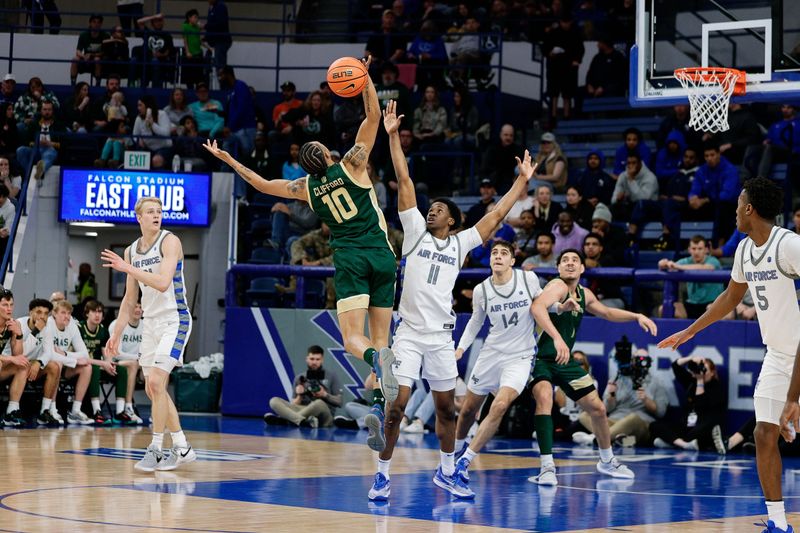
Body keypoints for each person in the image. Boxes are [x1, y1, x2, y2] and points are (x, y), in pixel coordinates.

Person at [203, 57, 400, 451]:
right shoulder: (353, 165)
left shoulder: (304, 189)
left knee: (353, 340)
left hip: (349, 259)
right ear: (328, 154)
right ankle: (380, 409)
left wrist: (227, 159)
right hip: (382, 254)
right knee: (382, 339)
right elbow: (374, 115)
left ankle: (379, 365)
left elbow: (259, 182)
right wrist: (365, 78)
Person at [368, 99, 538, 501]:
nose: (431, 211)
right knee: (397, 407)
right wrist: (392, 137)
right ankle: (381, 477)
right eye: (431, 208)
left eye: (439, 209)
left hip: (442, 337)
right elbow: (405, 181)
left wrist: (522, 182)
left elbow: (496, 215)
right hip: (408, 333)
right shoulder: (414, 232)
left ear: (453, 220)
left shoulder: (461, 243)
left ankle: (447, 473)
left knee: (447, 411)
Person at [659, 177, 797, 533]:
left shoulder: (788, 244)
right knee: (765, 434)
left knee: (780, 420)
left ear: (749, 208)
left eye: (738, 202)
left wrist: (793, 398)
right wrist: (691, 330)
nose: (734, 209)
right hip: (779, 355)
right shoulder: (744, 250)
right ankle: (778, 524)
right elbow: (730, 299)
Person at [529, 248, 657, 486]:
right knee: (545, 398)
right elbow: (536, 308)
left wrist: (636, 316)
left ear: (582, 268)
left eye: (574, 260)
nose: (569, 263)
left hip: (563, 361)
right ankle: (547, 467)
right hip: (540, 358)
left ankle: (607, 460)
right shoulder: (556, 287)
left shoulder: (583, 293)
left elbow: (607, 312)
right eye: (564, 260)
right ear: (558, 268)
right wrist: (557, 338)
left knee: (597, 408)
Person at [102, 196, 195, 472]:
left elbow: (164, 283)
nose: (156, 215)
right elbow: (130, 300)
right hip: (151, 324)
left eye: (159, 211)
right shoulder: (131, 251)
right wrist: (116, 333)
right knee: (154, 387)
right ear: (138, 217)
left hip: (174, 319)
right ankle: (182, 447)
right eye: (151, 212)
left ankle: (156, 448)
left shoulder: (170, 241)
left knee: (155, 380)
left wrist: (127, 268)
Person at [451, 241, 546, 495]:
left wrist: (561, 306)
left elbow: (541, 306)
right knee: (469, 409)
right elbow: (475, 322)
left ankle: (465, 461)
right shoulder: (482, 289)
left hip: (520, 356)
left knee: (501, 404)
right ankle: (455, 450)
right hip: (491, 354)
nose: (498, 256)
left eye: (504, 253)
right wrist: (461, 348)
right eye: (494, 253)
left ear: (512, 261)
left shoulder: (528, 279)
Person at [574, 347, 669, 447]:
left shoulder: (657, 383)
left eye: (644, 359)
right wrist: (611, 395)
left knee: (633, 417)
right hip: (615, 421)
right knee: (584, 415)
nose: (641, 362)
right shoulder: (618, 378)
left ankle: (595, 439)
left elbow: (661, 413)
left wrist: (646, 400)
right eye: (638, 359)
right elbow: (606, 409)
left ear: (649, 362)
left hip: (641, 424)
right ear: (631, 360)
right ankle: (615, 439)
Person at [650, 355, 726, 453]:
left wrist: (700, 381)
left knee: (699, 432)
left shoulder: (717, 388)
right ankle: (684, 445)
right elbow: (675, 365)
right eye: (699, 369)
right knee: (654, 425)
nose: (701, 372)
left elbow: (700, 407)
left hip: (702, 427)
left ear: (712, 373)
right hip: (686, 426)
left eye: (705, 370)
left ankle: (672, 442)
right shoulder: (691, 382)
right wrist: (691, 359)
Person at [8, 298, 62, 425]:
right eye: (38, 312)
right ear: (30, 312)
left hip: (31, 364)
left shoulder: (47, 327)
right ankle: (11, 411)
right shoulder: (19, 324)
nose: (42, 316)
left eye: (45, 313)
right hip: (11, 364)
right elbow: (21, 353)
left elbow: (48, 352)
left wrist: (39, 363)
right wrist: (36, 331)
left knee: (54, 366)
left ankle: (44, 411)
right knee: (24, 364)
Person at [265, 345, 343, 427]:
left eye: (317, 359)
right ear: (307, 359)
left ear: (322, 360)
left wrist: (324, 394)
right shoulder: (299, 378)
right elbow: (294, 404)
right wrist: (300, 396)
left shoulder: (331, 376)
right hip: (303, 409)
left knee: (319, 403)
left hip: (324, 414)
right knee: (273, 401)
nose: (314, 362)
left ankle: (286, 420)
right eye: (312, 359)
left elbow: (340, 402)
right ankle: (302, 421)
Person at [47, 300, 94, 425]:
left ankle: (75, 411)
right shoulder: (48, 324)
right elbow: (50, 354)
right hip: (46, 366)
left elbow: (84, 353)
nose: (67, 316)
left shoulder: (72, 325)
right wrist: (71, 359)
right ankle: (51, 409)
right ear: (54, 314)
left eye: (69, 313)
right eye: (63, 312)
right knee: (57, 363)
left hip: (65, 364)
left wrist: (65, 354)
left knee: (87, 367)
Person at [658, 236, 724, 319]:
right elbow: (671, 266)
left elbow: (706, 267)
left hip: (711, 304)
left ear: (706, 250)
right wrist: (663, 264)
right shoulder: (686, 261)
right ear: (689, 249)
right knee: (664, 309)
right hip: (691, 304)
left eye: (700, 249)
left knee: (714, 309)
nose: (696, 252)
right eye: (694, 248)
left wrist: (679, 267)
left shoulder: (713, 261)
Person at [77, 300, 118, 425]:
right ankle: (96, 410)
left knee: (121, 369)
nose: (97, 315)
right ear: (87, 314)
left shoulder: (103, 330)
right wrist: (103, 364)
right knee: (93, 367)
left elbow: (105, 354)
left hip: (97, 364)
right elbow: (79, 356)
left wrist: (109, 363)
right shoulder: (79, 328)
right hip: (80, 364)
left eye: (100, 312)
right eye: (94, 311)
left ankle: (124, 410)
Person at [108, 301, 144, 424]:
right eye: (135, 306)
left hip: (137, 362)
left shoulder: (146, 326)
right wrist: (137, 358)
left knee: (156, 369)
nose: (138, 309)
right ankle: (128, 407)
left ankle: (158, 412)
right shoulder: (117, 325)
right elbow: (116, 353)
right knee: (133, 364)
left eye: (140, 307)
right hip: (114, 363)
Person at [15, 101, 64, 180]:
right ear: (41, 111)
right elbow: (27, 140)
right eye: (45, 109)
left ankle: (41, 169)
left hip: (50, 149)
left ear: (52, 111)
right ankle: (28, 174)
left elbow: (64, 143)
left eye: (49, 110)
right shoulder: (34, 124)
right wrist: (37, 143)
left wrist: (51, 143)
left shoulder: (59, 125)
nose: (47, 112)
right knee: (20, 150)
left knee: (49, 153)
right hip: (36, 149)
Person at [0, 288, 27, 426]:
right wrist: (10, 359)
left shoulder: (12, 324)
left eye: (11, 305)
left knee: (22, 366)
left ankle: (12, 411)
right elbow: (12, 358)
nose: (9, 308)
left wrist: (19, 334)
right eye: (5, 305)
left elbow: (18, 355)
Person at [479, 124, 524, 193]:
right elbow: (484, 170)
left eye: (511, 135)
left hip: (511, 184)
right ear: (500, 135)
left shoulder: (518, 150)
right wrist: (490, 185)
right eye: (506, 135)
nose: (508, 138)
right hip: (493, 182)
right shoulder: (492, 150)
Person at [133, 96, 172, 169]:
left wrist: (152, 124)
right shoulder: (139, 118)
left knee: (156, 160)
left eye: (140, 105)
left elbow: (166, 133)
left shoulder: (162, 114)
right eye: (138, 105)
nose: (138, 108)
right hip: (147, 148)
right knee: (138, 160)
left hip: (163, 148)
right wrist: (139, 140)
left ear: (148, 106)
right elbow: (135, 135)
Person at [70, 14, 109, 85]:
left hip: (100, 60)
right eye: (94, 22)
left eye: (98, 22)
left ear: (101, 24)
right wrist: (83, 56)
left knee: (97, 59)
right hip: (86, 59)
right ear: (90, 23)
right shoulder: (83, 35)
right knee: (74, 59)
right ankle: (73, 83)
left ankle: (97, 84)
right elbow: (78, 51)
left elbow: (106, 52)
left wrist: (92, 55)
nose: (96, 24)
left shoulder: (106, 35)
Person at [205, 0, 232, 70]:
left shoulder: (221, 6)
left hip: (221, 41)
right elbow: (212, 24)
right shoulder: (211, 7)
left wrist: (205, 26)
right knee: (213, 64)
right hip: (215, 41)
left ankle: (223, 80)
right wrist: (206, 37)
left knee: (220, 66)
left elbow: (220, 24)